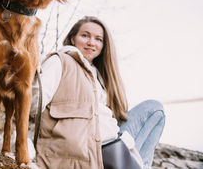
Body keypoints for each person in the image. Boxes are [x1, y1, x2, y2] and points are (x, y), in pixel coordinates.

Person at [31, 16, 165, 169]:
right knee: (154, 109)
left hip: (113, 142)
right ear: (72, 38)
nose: (91, 43)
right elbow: (33, 103)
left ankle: (141, 165)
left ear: (103, 46)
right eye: (85, 35)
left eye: (98, 39)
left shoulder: (100, 77)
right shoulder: (60, 61)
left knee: (154, 109)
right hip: (93, 148)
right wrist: (31, 75)